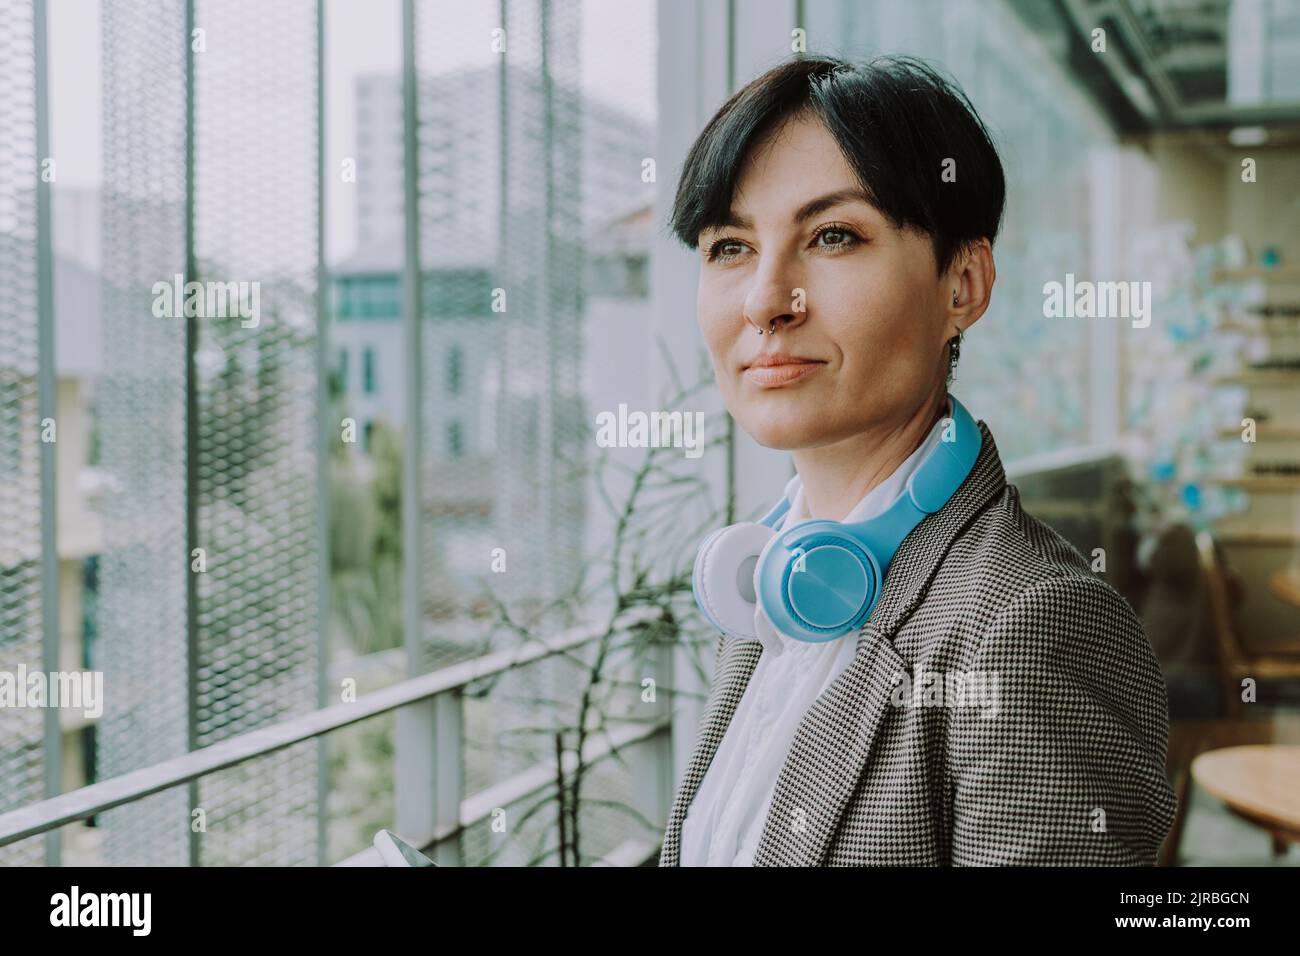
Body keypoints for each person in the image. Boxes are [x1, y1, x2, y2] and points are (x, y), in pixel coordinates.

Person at [658, 54, 1176, 866]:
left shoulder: (1028, 628)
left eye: (833, 236)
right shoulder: (772, 591)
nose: (765, 300)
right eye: (729, 246)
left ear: (962, 285)